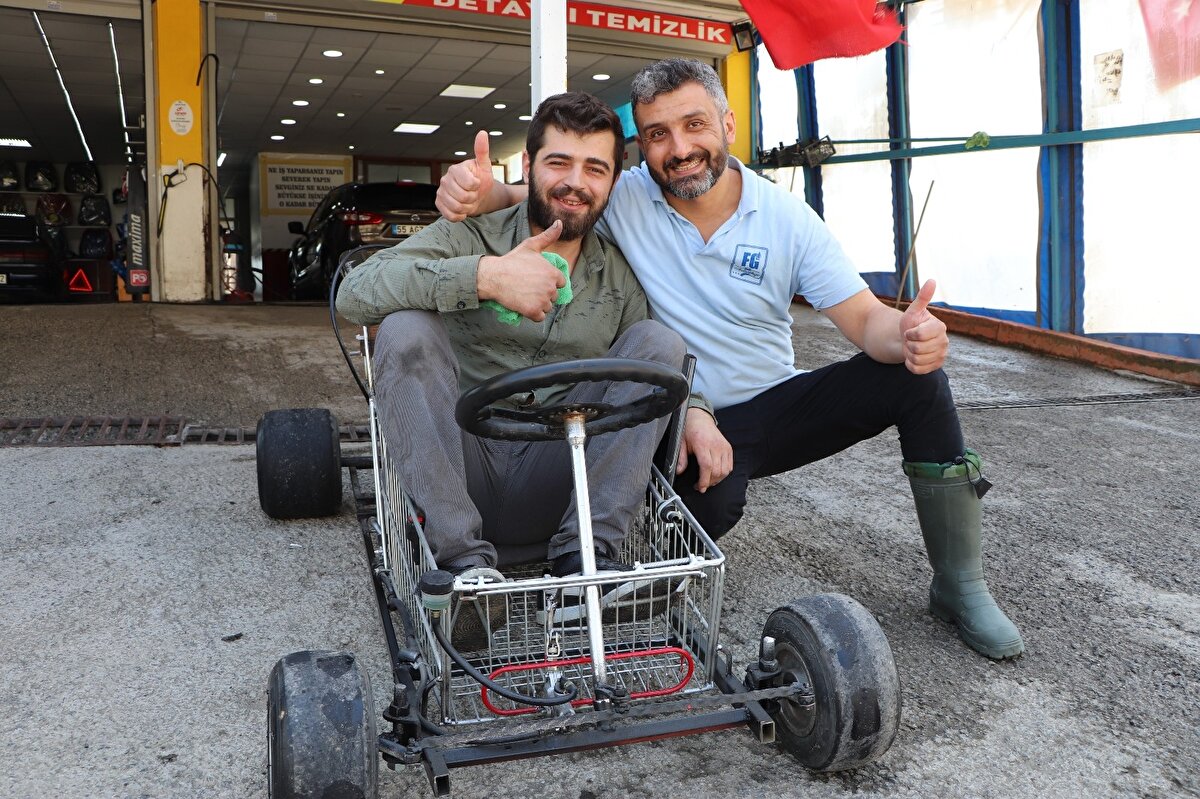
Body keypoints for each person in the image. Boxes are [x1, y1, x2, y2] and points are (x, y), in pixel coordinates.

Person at [435, 59, 1024, 660]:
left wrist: (909, 334)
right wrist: (483, 194)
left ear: (729, 124)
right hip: (668, 417)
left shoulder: (785, 217)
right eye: (658, 134)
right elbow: (551, 197)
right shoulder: (626, 196)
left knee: (916, 380)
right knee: (707, 509)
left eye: (695, 124)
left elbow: (866, 321)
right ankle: (615, 558)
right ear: (643, 146)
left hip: (773, 406)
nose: (679, 148)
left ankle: (960, 585)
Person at [337, 92, 686, 648]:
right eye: (558, 162)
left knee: (659, 342)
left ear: (613, 182)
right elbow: (355, 293)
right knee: (404, 329)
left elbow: (648, 376)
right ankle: (462, 569)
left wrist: (700, 412)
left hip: (561, 476)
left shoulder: (618, 276)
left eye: (595, 168)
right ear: (528, 167)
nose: (575, 183)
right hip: (458, 469)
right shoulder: (469, 234)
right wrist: (485, 278)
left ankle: (587, 564)